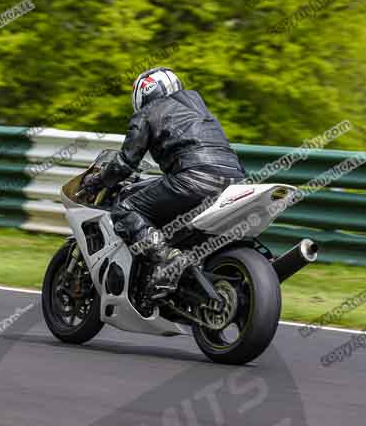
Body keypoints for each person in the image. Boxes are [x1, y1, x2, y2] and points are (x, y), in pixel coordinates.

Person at [83, 67, 245, 298]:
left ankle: (166, 258)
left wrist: (98, 180)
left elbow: (125, 163)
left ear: (143, 94)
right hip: (235, 180)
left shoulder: (147, 112)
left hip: (194, 178)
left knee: (124, 209)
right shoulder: (199, 107)